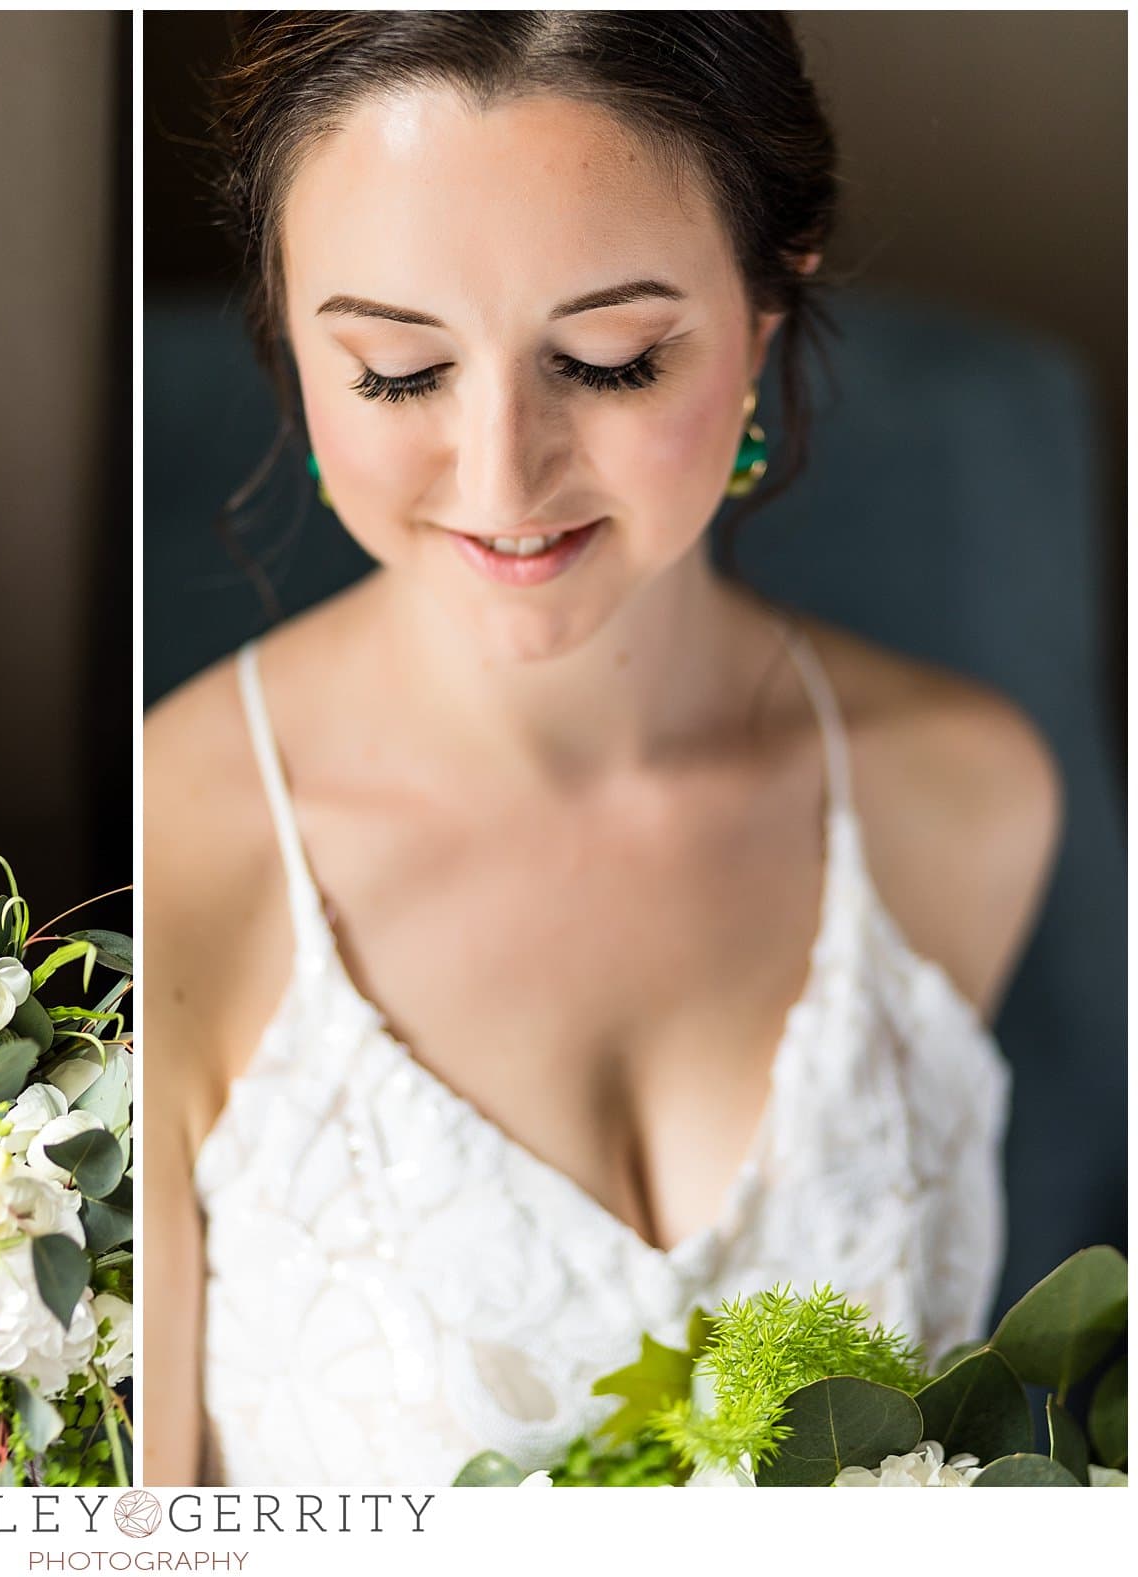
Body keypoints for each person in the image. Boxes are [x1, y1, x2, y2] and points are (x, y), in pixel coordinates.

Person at [142, 14, 1062, 1486]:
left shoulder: (966, 793)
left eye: (611, 360)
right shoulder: (171, 846)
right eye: (394, 372)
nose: (505, 478)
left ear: (770, 305)